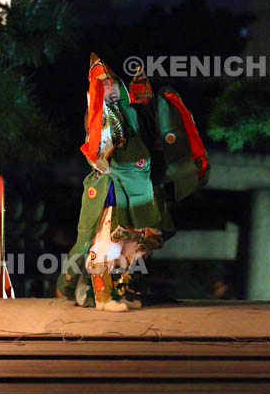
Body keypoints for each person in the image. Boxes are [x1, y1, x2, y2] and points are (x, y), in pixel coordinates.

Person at [57, 54, 209, 310]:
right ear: (98, 91)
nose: (112, 89)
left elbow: (150, 137)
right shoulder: (99, 116)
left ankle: (119, 292)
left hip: (139, 186)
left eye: (114, 84)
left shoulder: (131, 112)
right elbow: (97, 152)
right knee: (107, 241)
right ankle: (103, 297)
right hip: (113, 187)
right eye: (105, 86)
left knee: (133, 244)